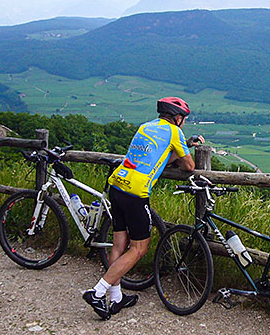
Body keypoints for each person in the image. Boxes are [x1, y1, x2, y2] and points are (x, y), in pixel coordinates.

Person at [83, 96, 204, 320]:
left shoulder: (146, 126)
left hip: (117, 184)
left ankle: (116, 296)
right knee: (139, 249)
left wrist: (180, 149)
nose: (184, 122)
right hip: (136, 193)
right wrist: (185, 148)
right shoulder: (174, 132)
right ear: (178, 118)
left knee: (120, 243)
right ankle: (97, 292)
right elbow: (189, 166)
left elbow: (155, 157)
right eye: (184, 118)